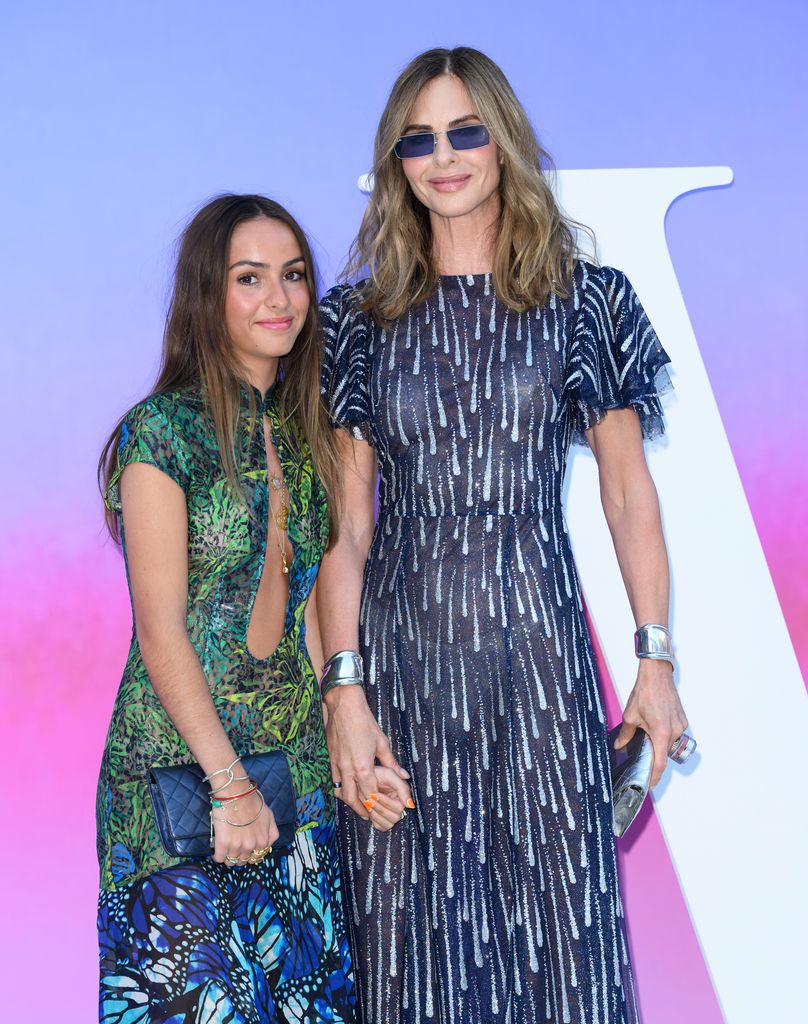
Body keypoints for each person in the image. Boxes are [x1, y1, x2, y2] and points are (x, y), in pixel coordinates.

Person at [317, 47, 689, 1024]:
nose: (445, 156)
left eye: (466, 131)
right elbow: (345, 530)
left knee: (562, 948)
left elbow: (626, 495)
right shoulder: (358, 320)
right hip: (403, 667)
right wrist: (343, 693)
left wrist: (654, 664)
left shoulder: (586, 300)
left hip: (537, 665)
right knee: (409, 952)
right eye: (419, 139)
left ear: (504, 140)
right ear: (397, 160)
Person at [96, 194, 366, 1022]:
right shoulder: (160, 434)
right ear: (207, 296)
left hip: (299, 789)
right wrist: (228, 784)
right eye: (250, 279)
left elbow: (317, 603)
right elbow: (160, 629)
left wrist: (345, 724)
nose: (278, 299)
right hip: (179, 785)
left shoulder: (310, 432)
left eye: (293, 277)